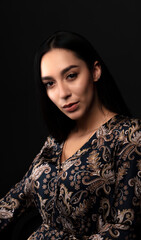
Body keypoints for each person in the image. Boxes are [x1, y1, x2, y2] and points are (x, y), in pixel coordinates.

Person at [0, 31, 141, 240]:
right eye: (50, 83)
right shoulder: (56, 140)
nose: (62, 93)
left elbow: (124, 230)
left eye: (71, 76)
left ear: (95, 71)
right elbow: (15, 200)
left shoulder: (129, 136)